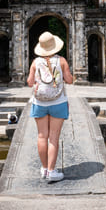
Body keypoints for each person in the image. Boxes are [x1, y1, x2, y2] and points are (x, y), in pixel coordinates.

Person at [27, 31, 74, 182]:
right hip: (58, 102)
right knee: (53, 138)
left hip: (39, 102)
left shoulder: (35, 62)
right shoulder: (61, 61)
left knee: (42, 136)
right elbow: (69, 80)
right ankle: (52, 171)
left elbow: (29, 82)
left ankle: (44, 169)